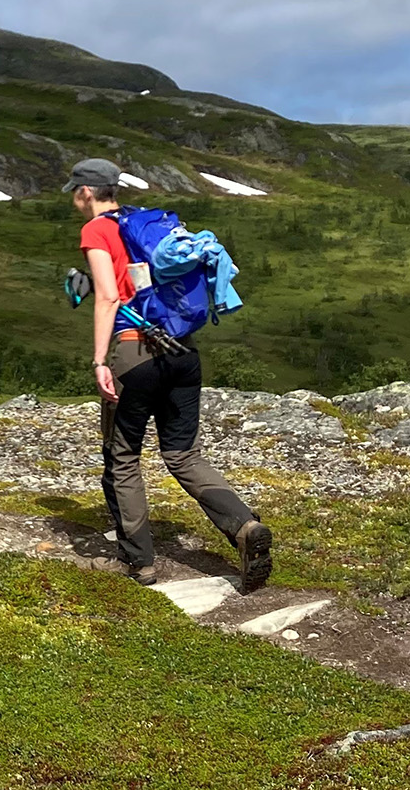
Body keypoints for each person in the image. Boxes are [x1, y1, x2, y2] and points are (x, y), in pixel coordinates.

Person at [66, 158, 273, 593]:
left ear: (87, 192)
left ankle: (139, 563)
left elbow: (109, 296)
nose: (73, 197)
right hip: (183, 352)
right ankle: (244, 527)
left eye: (75, 190)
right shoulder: (143, 224)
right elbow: (136, 284)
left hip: (134, 353)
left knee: (122, 457)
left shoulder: (97, 230)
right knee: (183, 455)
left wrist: (101, 360)